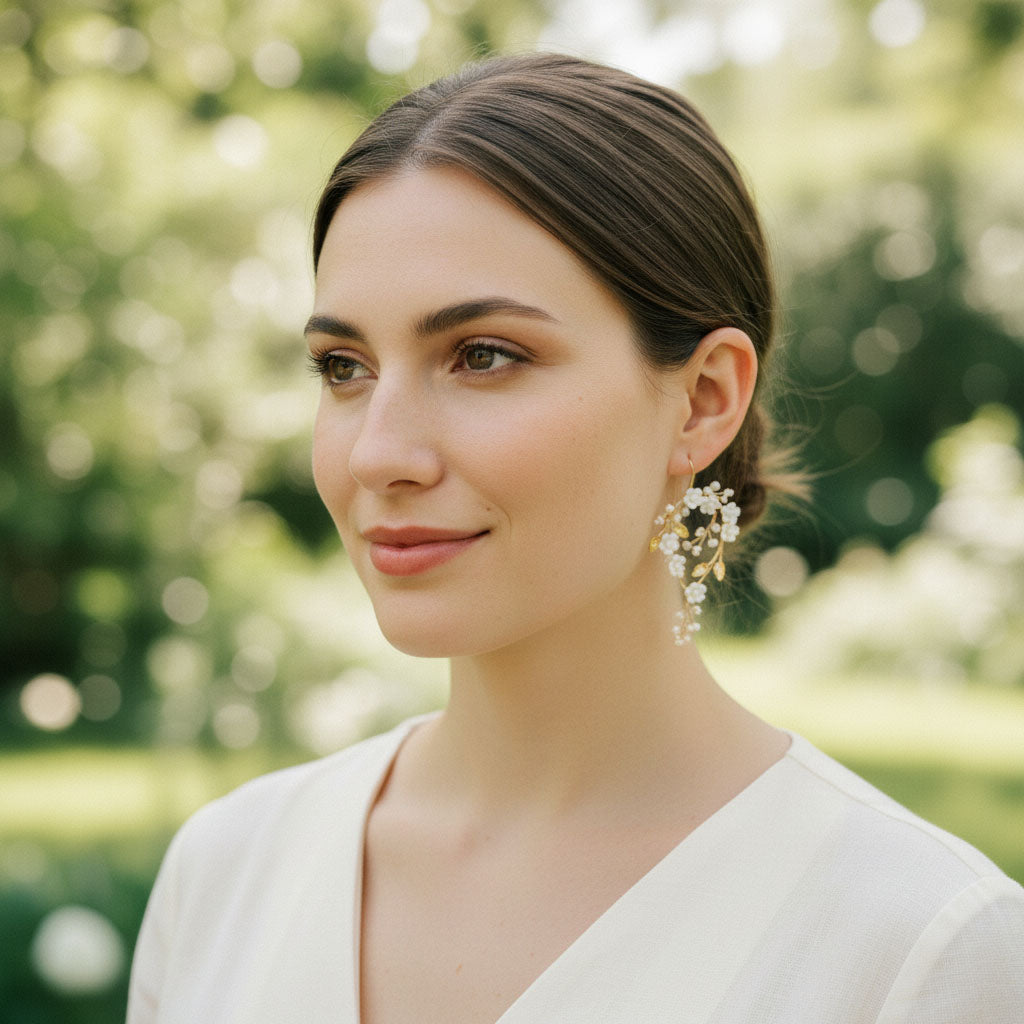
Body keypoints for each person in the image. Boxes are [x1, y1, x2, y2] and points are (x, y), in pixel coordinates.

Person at [127, 53, 1024, 1023]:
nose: (377, 452)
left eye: (482, 356)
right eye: (344, 367)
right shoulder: (223, 876)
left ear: (703, 400)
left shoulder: (920, 951)